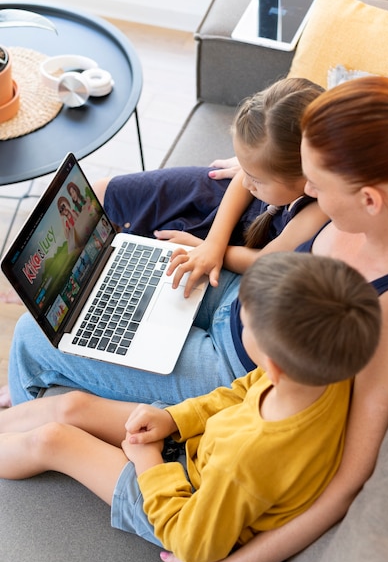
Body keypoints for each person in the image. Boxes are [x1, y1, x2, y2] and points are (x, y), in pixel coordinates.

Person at [153, 76, 388, 562]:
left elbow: (348, 478)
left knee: (38, 340)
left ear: (369, 198)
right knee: (123, 275)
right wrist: (252, 176)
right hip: (248, 305)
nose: (307, 193)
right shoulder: (375, 181)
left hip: (242, 374)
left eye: (316, 183)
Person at [0, 252, 381, 562]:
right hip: (197, 446)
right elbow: (240, 391)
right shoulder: (323, 375)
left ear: (273, 365)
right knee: (73, 406)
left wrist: (150, 462)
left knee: (55, 439)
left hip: (181, 501)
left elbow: (191, 542)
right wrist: (173, 418)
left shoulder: (246, 462)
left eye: (243, 321)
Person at [4, 77, 329, 407]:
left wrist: (218, 249)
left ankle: (28, 386)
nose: (246, 178)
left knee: (30, 336)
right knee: (137, 264)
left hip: (230, 363)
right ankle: (35, 374)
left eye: (257, 178)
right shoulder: (317, 173)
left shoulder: (319, 210)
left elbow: (270, 261)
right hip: (234, 298)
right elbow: (243, 179)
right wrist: (212, 244)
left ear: (307, 177)